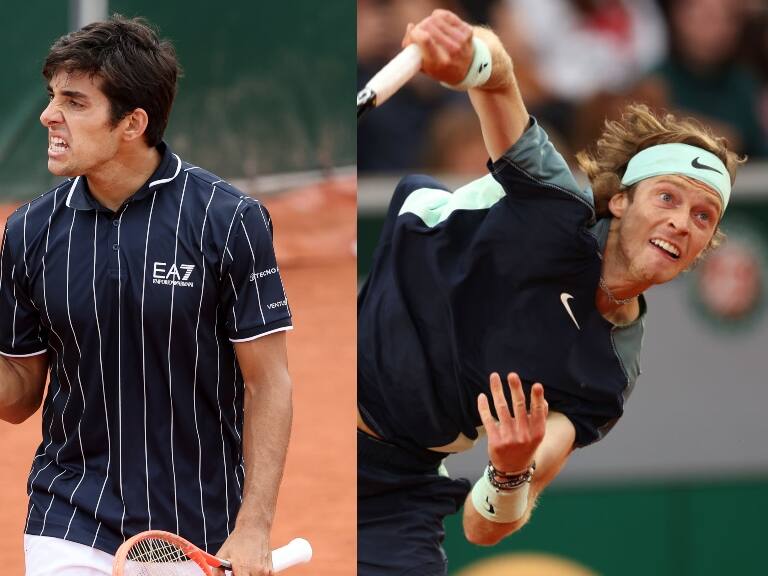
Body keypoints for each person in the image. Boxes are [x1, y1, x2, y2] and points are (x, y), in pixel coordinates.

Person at [357, 9, 743, 575]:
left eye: (703, 216)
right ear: (620, 201)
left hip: (397, 486)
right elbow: (497, 76)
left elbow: (482, 525)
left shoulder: (607, 373)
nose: (684, 222)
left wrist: (509, 470)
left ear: (702, 248)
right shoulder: (552, 202)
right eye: (667, 198)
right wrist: (466, 52)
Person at [0, 15, 292, 576]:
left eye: (75, 102)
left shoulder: (228, 220)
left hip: (198, 525)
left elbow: (268, 380)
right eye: (51, 96)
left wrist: (254, 527)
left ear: (133, 122)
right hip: (71, 512)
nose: (48, 116)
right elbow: (17, 399)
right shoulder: (28, 232)